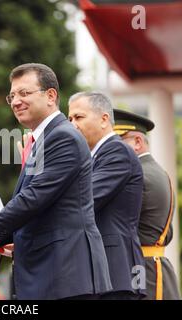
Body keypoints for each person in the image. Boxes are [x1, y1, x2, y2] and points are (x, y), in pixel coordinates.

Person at [0, 63, 112, 300]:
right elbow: (40, 207)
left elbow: (34, 198)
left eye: (24, 93)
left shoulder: (62, 137)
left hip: (67, 276)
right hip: (55, 275)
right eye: (12, 96)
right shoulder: (45, 139)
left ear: (51, 96)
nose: (16, 101)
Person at [68, 92, 145, 300]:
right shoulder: (94, 157)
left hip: (118, 270)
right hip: (105, 272)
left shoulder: (116, 152)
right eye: (70, 119)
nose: (72, 125)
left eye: (79, 117)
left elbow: (81, 201)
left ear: (104, 119)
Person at [113, 108, 181, 300]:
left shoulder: (139, 175)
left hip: (143, 271)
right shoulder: (155, 172)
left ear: (137, 142)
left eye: (118, 141)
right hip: (151, 267)